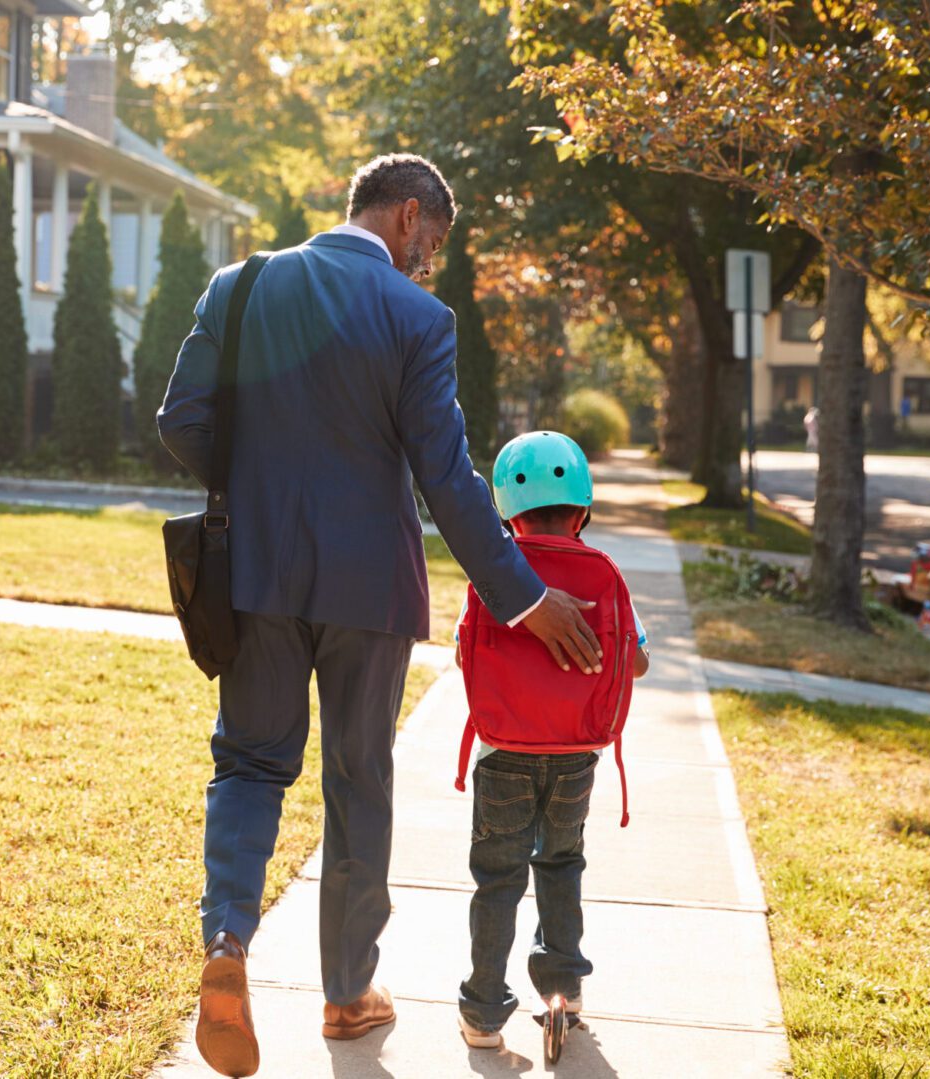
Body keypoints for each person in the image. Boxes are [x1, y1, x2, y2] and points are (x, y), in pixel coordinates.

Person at [157, 154, 604, 1078]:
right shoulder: (415, 317)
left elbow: (180, 418)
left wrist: (255, 485)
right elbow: (447, 476)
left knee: (247, 761)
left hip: (255, 575)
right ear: (407, 217)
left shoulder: (237, 287)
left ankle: (228, 944)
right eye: (431, 245)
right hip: (370, 590)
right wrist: (523, 594)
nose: (428, 265)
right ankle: (347, 992)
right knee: (358, 781)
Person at [453, 431, 650, 1050]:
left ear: (506, 513)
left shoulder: (497, 574)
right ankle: (563, 990)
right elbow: (637, 661)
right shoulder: (604, 572)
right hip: (575, 756)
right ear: (583, 509)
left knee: (498, 878)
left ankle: (484, 1013)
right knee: (561, 865)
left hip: (503, 751)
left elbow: (465, 651)